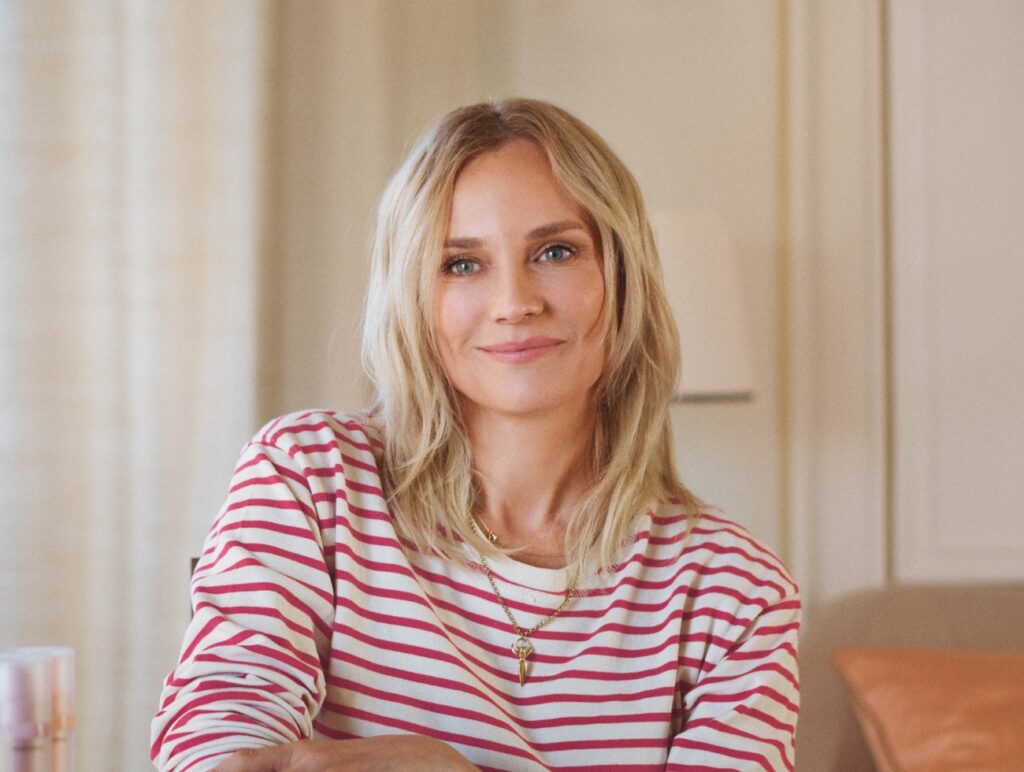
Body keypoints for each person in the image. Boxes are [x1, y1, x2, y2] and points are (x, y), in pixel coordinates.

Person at [151, 99, 800, 771]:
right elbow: (219, 746)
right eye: (461, 263)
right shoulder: (308, 479)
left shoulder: (738, 594)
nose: (515, 302)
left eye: (556, 252)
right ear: (414, 296)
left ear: (624, 279)